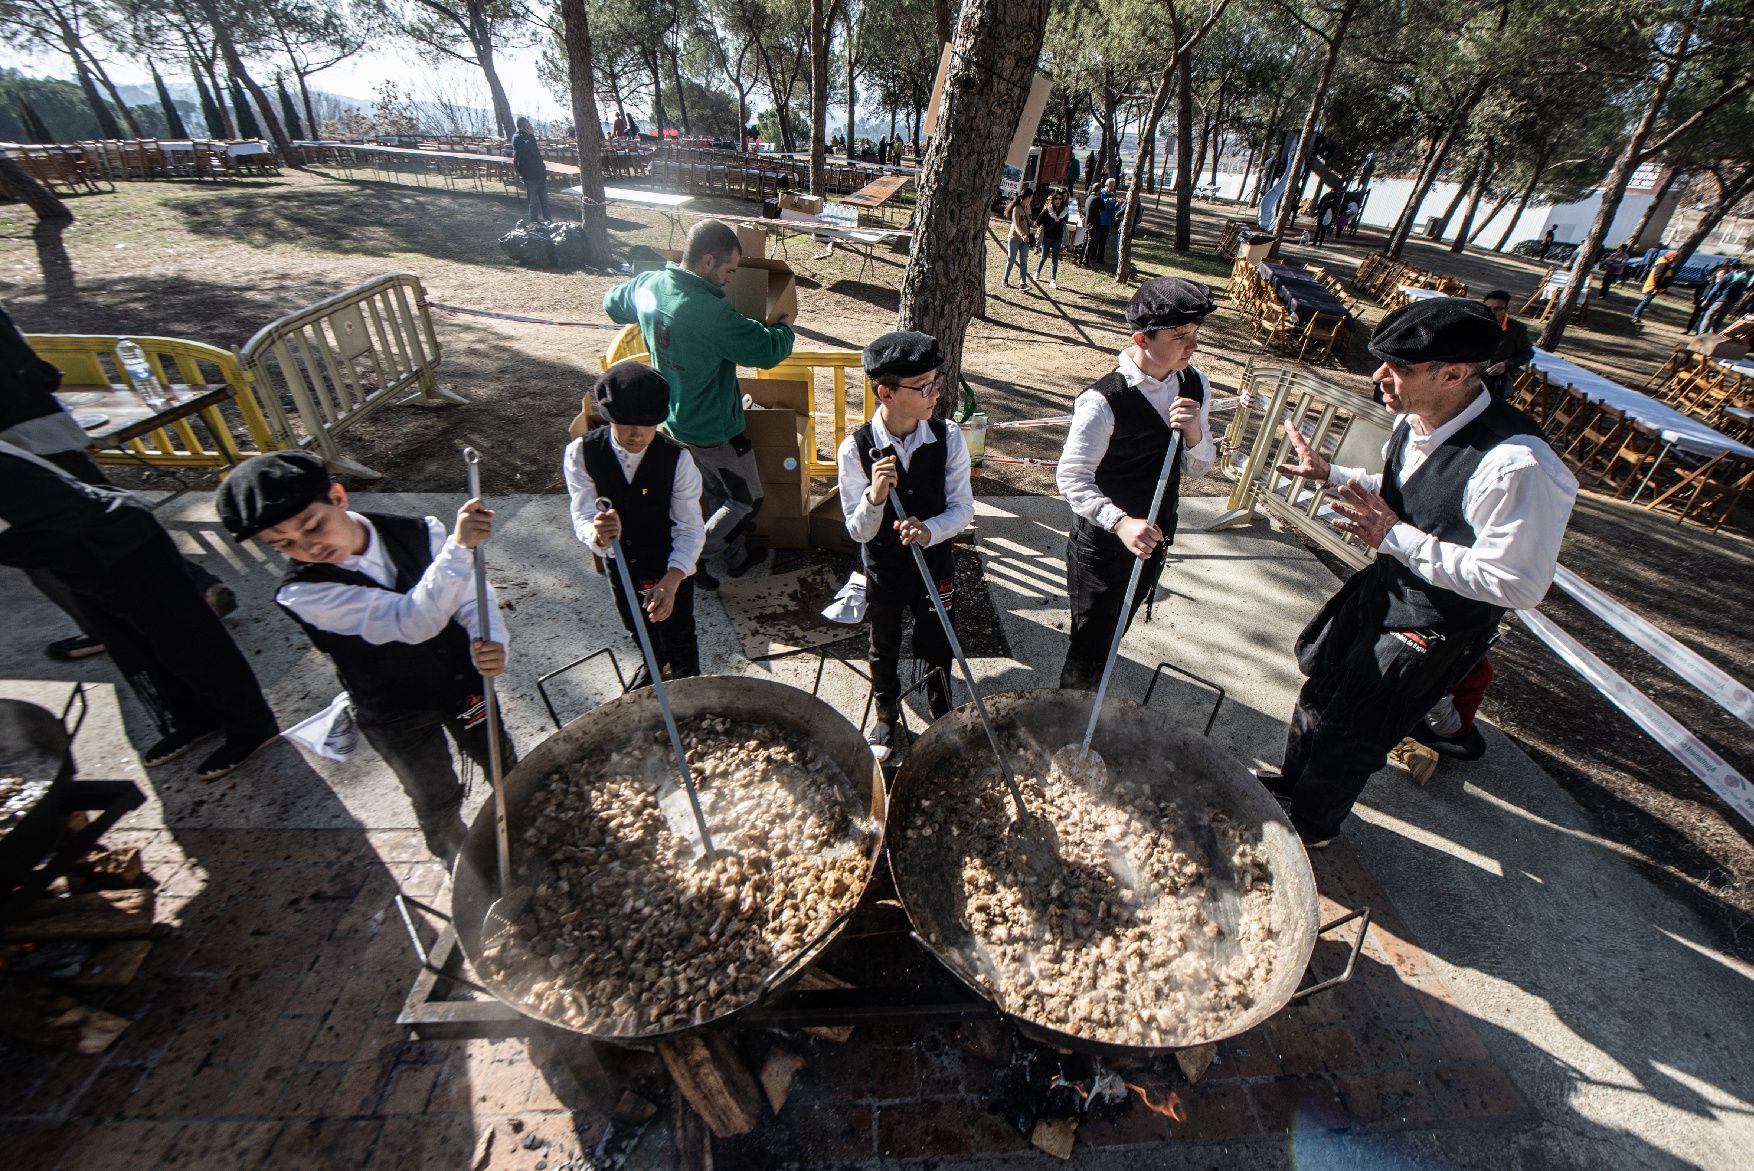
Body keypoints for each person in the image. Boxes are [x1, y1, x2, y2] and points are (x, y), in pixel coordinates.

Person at [1255, 297, 1578, 847]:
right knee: (1320, 691)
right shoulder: (1413, 420)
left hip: (1433, 623)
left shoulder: (1518, 464)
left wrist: (1394, 537)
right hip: (1385, 589)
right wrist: (1332, 472)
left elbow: (1518, 582)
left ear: (1453, 373)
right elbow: (1411, 487)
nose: (1379, 376)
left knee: (1355, 729)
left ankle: (1310, 829)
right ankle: (1290, 788)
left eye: (1398, 368)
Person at [217, 451, 512, 862]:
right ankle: (463, 866)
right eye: (283, 544)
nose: (309, 546)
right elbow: (413, 621)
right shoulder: (304, 592)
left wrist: (489, 636)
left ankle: (523, 826)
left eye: (312, 525)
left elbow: (470, 594)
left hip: (462, 684)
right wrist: (459, 548)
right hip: (393, 712)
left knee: (501, 761)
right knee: (435, 795)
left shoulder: (421, 531)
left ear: (338, 497)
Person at [0, 444, 278, 779]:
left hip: (117, 538)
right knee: (134, 647)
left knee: (188, 643)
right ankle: (196, 718)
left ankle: (252, 726)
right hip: (68, 555)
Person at [2, 305, 236, 661]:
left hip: (15, 448)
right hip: (45, 427)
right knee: (120, 521)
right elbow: (32, 364)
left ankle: (105, 631)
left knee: (47, 551)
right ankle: (199, 589)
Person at [603, 219, 796, 588]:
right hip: (715, 429)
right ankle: (692, 559)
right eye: (729, 270)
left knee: (716, 491)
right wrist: (786, 327)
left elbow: (612, 303)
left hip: (675, 421)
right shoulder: (711, 313)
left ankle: (734, 558)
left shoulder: (651, 285)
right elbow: (768, 349)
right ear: (707, 261)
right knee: (746, 500)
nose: (730, 279)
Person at [1056, 278, 1218, 691]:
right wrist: (1120, 522)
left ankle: (1090, 705)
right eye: (1180, 336)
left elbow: (1199, 469)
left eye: (1196, 334)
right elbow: (1071, 477)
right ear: (1141, 338)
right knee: (1090, 645)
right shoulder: (1102, 401)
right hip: (1103, 550)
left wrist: (1195, 431)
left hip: (1155, 540)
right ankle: (1068, 721)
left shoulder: (1195, 384)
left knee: (1115, 633)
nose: (1192, 345)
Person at [837, 331, 973, 758]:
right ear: (886, 392)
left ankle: (941, 708)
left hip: (934, 563)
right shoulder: (856, 448)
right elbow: (858, 530)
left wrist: (930, 529)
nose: (935, 393)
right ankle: (886, 713)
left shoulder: (948, 437)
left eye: (936, 382)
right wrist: (875, 498)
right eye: (923, 387)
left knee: (937, 637)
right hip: (885, 566)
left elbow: (963, 508)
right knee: (885, 641)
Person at [563, 361, 704, 688]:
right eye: (626, 423)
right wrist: (596, 534)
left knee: (679, 630)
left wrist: (671, 581)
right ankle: (654, 665)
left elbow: (690, 527)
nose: (637, 434)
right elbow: (582, 514)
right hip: (622, 563)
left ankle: (688, 683)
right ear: (610, 416)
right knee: (636, 624)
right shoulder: (581, 454)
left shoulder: (678, 459)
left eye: (649, 424)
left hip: (668, 560)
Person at [1480, 290, 1534, 399]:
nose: (1492, 312)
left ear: (1505, 310)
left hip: (1495, 384)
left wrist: (1506, 364)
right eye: (1488, 308)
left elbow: (1528, 353)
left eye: (1497, 309)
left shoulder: (1517, 329)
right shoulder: (1473, 324)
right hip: (1468, 378)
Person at [1696, 261, 1748, 336]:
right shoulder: (1744, 279)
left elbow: (1716, 289)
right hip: (1731, 303)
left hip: (1721, 300)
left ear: (1732, 267)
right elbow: (1742, 292)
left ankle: (1702, 335)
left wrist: (1707, 299)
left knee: (1708, 316)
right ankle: (1711, 336)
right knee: (1719, 319)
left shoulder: (1728, 275)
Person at [1628, 250, 1679, 326]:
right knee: (1644, 303)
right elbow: (1657, 276)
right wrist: (1656, 288)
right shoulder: (1663, 264)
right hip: (1652, 287)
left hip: (1653, 286)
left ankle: (1636, 318)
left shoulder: (1663, 261)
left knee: (1645, 303)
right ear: (1671, 257)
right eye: (1674, 258)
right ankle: (1634, 319)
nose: (1674, 260)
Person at [1035, 188, 1070, 288]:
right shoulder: (1048, 210)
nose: (1058, 200)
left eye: (1060, 198)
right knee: (1044, 257)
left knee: (1055, 259)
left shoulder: (1064, 211)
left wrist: (1061, 217)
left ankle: (1053, 280)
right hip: (1047, 237)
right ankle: (1037, 272)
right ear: (1053, 200)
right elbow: (1038, 221)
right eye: (1056, 199)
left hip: (1057, 238)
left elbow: (1065, 221)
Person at [1002, 187, 1035, 291]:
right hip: (1014, 238)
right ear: (1028, 197)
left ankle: (1023, 283)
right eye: (1031, 197)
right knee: (1011, 259)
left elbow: (1028, 219)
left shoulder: (1028, 207)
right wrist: (1023, 235)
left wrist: (1033, 224)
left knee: (1024, 261)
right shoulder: (1016, 208)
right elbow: (1016, 225)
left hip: (1026, 239)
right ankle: (1005, 279)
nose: (1031, 200)